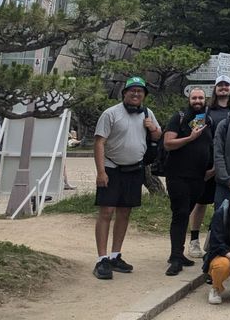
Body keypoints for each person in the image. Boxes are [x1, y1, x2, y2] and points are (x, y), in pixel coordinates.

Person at [92, 77, 161, 280]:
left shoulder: (147, 114)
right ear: (124, 93)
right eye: (132, 91)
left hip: (134, 170)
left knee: (124, 212)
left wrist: (153, 128)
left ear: (144, 95)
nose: (136, 94)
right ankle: (101, 258)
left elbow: (158, 137)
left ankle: (115, 255)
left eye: (140, 91)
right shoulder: (110, 114)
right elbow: (99, 143)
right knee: (106, 211)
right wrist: (100, 171)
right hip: (112, 168)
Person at [163, 88, 214, 276]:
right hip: (178, 175)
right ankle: (175, 257)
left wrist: (212, 169)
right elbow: (168, 143)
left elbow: (210, 145)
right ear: (189, 99)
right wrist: (190, 138)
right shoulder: (179, 117)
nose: (198, 100)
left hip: (198, 177)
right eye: (194, 97)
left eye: (201, 97)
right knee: (180, 213)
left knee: (186, 212)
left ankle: (179, 252)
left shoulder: (207, 120)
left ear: (205, 99)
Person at [185, 76, 230, 259]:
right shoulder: (205, 111)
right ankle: (194, 240)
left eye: (226, 85)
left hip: (229, 166)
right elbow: (194, 135)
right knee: (201, 203)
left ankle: (216, 240)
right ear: (215, 89)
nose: (223, 88)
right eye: (220, 85)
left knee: (224, 205)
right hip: (207, 164)